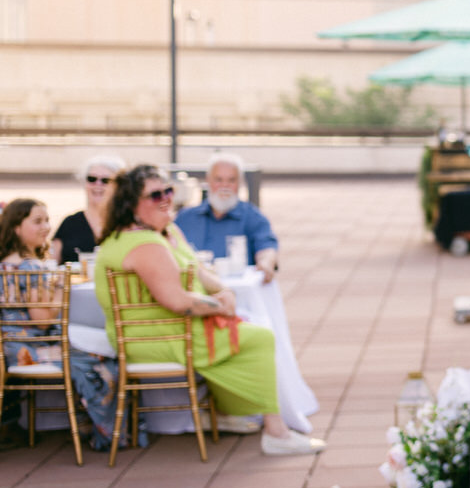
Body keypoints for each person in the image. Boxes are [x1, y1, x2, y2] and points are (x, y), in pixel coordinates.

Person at [96, 164, 324, 455]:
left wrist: (223, 292)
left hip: (170, 329)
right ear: (131, 204)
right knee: (260, 337)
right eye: (155, 195)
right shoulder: (143, 244)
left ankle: (230, 414)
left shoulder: (164, 231)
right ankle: (276, 432)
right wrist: (220, 306)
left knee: (249, 327)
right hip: (152, 338)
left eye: (169, 190)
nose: (166, 198)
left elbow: (197, 269)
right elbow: (177, 300)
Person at [1, 198, 119, 450]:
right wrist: (59, 290)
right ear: (16, 228)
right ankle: (105, 433)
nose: (46, 227)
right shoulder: (30, 267)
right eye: (37, 221)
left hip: (9, 347)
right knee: (103, 357)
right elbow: (42, 321)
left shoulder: (6, 264)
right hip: (27, 351)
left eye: (46, 220)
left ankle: (89, 423)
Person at [174, 153, 279, 282]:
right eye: (219, 180)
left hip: (237, 295)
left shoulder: (253, 217)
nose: (225, 186)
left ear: (240, 183)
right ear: (208, 180)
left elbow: (267, 248)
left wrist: (265, 263)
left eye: (231, 180)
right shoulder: (184, 218)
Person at [50, 154, 127, 265]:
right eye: (92, 179)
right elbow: (52, 265)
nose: (98, 184)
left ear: (118, 186)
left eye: (105, 180)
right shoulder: (69, 224)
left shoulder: (126, 223)